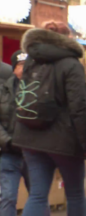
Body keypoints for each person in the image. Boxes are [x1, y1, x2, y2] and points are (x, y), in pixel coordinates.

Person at [12, 21, 86, 216]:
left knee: (37, 195)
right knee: (75, 193)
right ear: (67, 38)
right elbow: (78, 107)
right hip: (63, 140)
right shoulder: (71, 63)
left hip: (29, 136)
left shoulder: (31, 61)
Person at [0, 51, 30, 216]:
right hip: (9, 153)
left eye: (27, 65)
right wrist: (8, 141)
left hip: (33, 154)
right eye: (20, 65)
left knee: (37, 197)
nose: (24, 69)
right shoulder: (3, 90)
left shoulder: (38, 90)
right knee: (8, 197)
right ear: (13, 68)